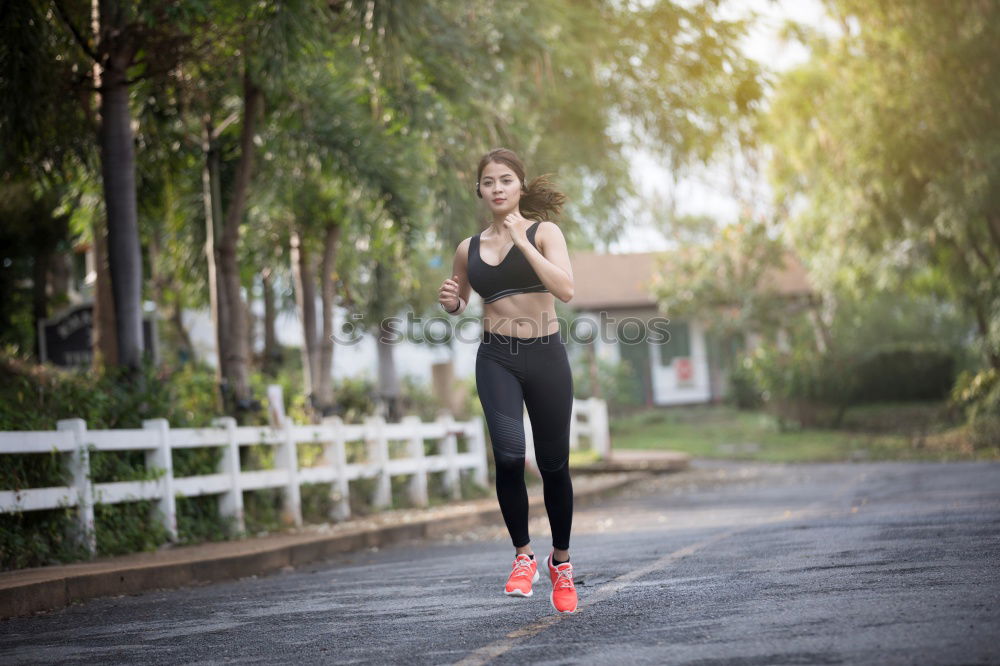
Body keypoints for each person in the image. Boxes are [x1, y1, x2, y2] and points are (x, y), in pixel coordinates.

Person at [437, 147, 578, 614]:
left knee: (554, 464)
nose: (496, 188)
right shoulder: (468, 248)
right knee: (510, 456)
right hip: (497, 356)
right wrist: (452, 300)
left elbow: (566, 289)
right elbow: (460, 300)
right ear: (479, 189)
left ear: (520, 186)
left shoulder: (545, 232)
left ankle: (561, 563)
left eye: (505, 180)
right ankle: (523, 557)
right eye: (488, 182)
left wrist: (522, 242)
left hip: (546, 356)